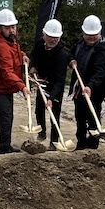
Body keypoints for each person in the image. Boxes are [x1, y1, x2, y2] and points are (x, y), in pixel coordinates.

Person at [0, 9, 30, 154]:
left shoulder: (10, 41)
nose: (11, 30)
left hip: (7, 87)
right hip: (0, 88)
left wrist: (23, 55)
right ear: (0, 28)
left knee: (8, 116)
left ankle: (5, 145)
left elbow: (13, 53)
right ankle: (4, 147)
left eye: (13, 27)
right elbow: (7, 72)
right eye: (7, 28)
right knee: (5, 118)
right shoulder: (0, 47)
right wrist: (22, 86)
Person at [68, 15, 105, 150]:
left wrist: (90, 86)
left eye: (94, 34)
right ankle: (81, 144)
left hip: (95, 90)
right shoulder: (80, 44)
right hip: (79, 88)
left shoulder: (103, 50)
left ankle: (92, 146)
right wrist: (71, 60)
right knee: (80, 117)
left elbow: (100, 72)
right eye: (88, 34)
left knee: (93, 118)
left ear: (99, 33)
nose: (91, 37)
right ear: (83, 33)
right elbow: (70, 54)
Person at [29, 19, 69, 150]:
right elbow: (33, 56)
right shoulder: (40, 44)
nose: (52, 40)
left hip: (55, 85)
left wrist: (51, 98)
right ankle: (42, 132)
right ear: (44, 35)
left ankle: (54, 141)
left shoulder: (62, 56)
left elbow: (60, 80)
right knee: (39, 110)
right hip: (42, 82)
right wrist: (33, 66)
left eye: (56, 37)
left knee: (54, 114)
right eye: (50, 37)